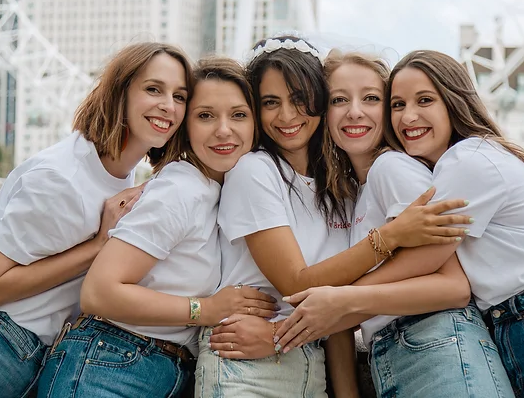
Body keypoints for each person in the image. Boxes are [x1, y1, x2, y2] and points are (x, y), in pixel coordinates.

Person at [280, 50, 524, 398]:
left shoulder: (467, 159)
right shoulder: (435, 171)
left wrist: (340, 300)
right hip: (514, 329)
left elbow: (431, 265)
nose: (408, 117)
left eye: (424, 101)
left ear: (453, 102)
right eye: (399, 104)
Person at [0, 42, 192, 398]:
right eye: (153, 89)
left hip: (25, 362)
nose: (168, 105)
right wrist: (98, 246)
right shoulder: (60, 176)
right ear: (120, 92)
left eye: (180, 96)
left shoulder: (121, 176)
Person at [197, 38, 471, 398]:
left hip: (311, 368)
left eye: (299, 100)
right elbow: (299, 287)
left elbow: (336, 309)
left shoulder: (340, 190)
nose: (287, 116)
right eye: (270, 103)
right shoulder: (255, 171)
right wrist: (389, 237)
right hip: (248, 366)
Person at [276, 50, 514, 397]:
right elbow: (341, 316)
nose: (354, 111)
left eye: (371, 98)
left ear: (388, 110)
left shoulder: (393, 169)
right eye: (339, 99)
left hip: (436, 344)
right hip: (395, 353)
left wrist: (341, 299)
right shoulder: (354, 194)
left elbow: (454, 286)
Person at [37, 57, 277, 397]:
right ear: (185, 126)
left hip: (154, 367)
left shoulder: (217, 188)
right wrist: (205, 310)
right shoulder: (180, 189)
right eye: (205, 115)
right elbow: (99, 292)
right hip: (112, 364)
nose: (224, 129)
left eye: (238, 115)